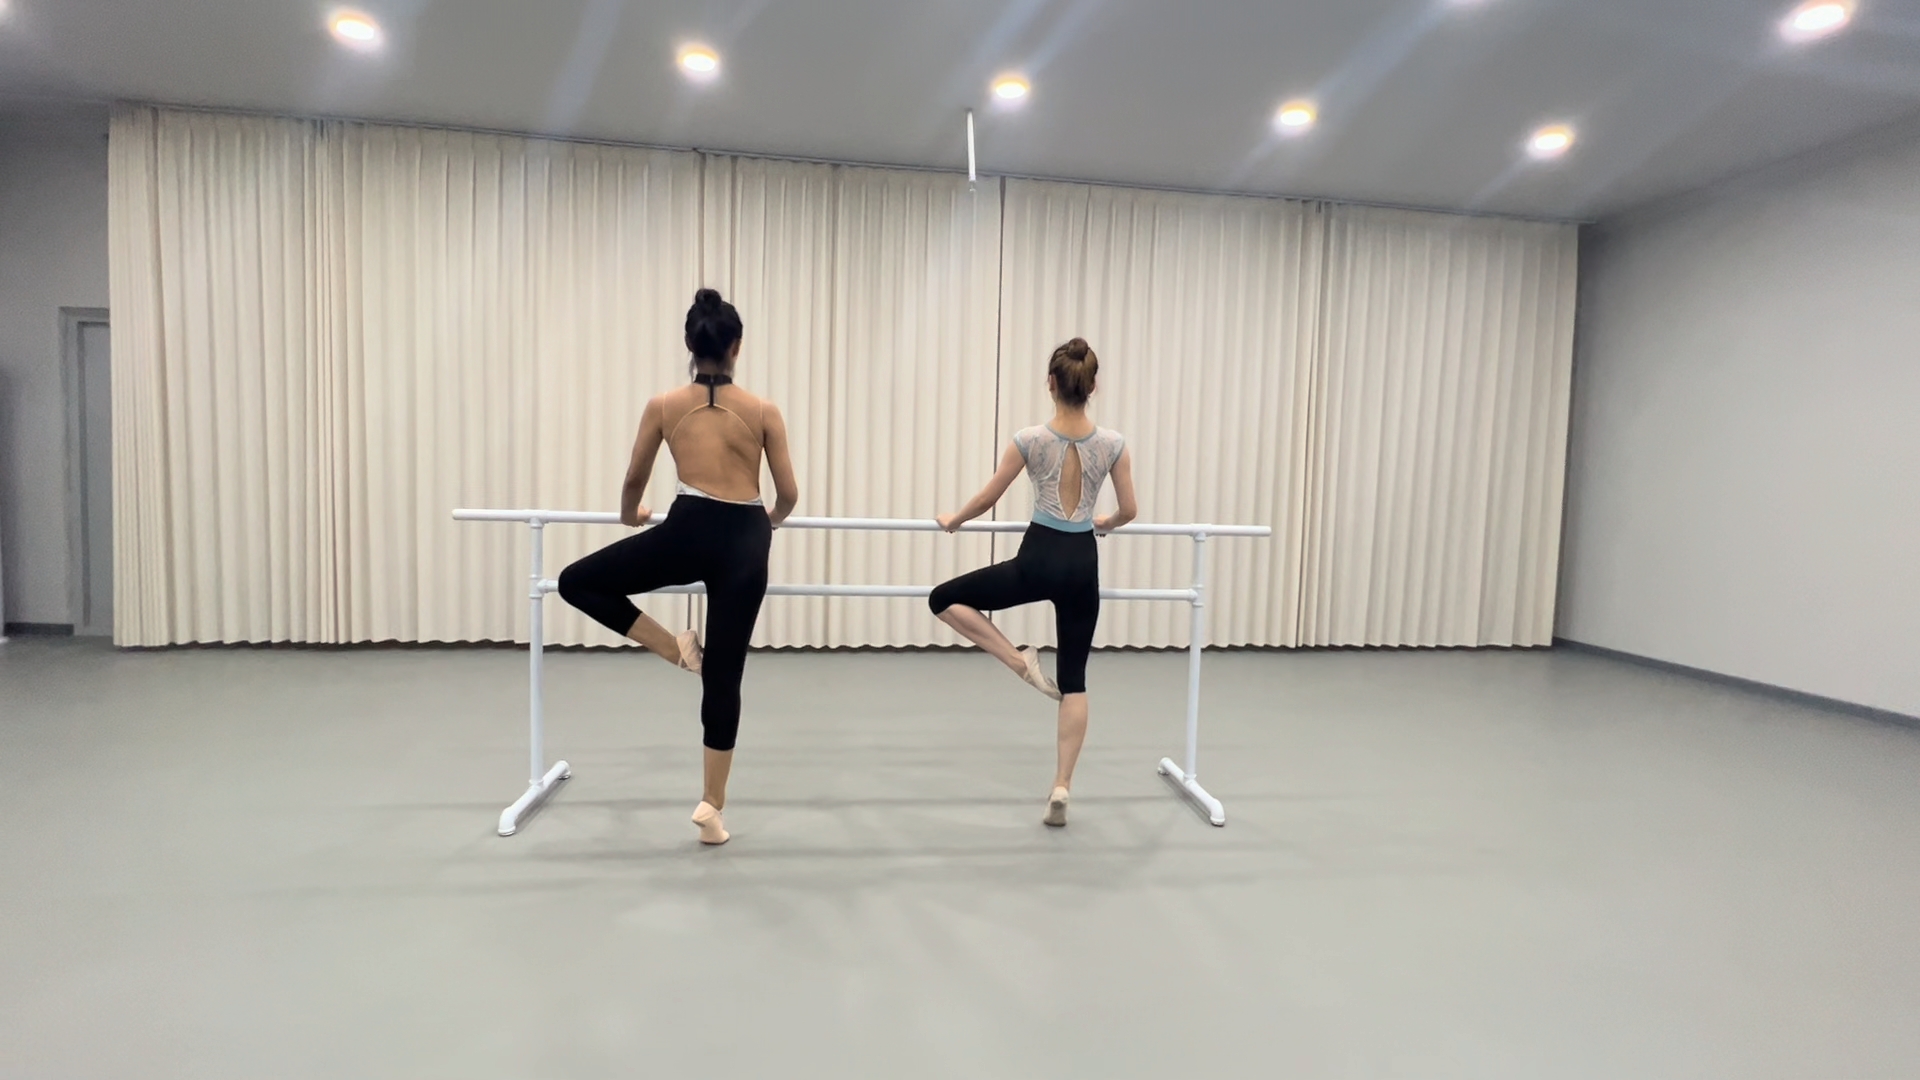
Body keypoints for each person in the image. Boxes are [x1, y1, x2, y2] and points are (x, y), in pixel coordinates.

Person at [556, 288, 799, 846]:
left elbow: (633, 481)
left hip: (687, 530)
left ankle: (673, 648)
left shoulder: (664, 405)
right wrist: (769, 523)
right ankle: (711, 808)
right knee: (726, 675)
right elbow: (788, 493)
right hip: (745, 539)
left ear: (689, 345)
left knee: (577, 582)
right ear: (737, 346)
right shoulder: (763, 411)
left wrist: (631, 516)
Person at [928, 337, 1137, 828]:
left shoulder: (1030, 439)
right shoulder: (1113, 445)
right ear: (1093, 387)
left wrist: (954, 520)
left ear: (1050, 384)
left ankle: (1018, 661)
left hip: (1037, 560)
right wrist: (1105, 522)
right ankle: (1061, 786)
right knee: (1074, 680)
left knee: (943, 598)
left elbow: (988, 498)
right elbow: (1129, 510)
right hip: (1081, 564)